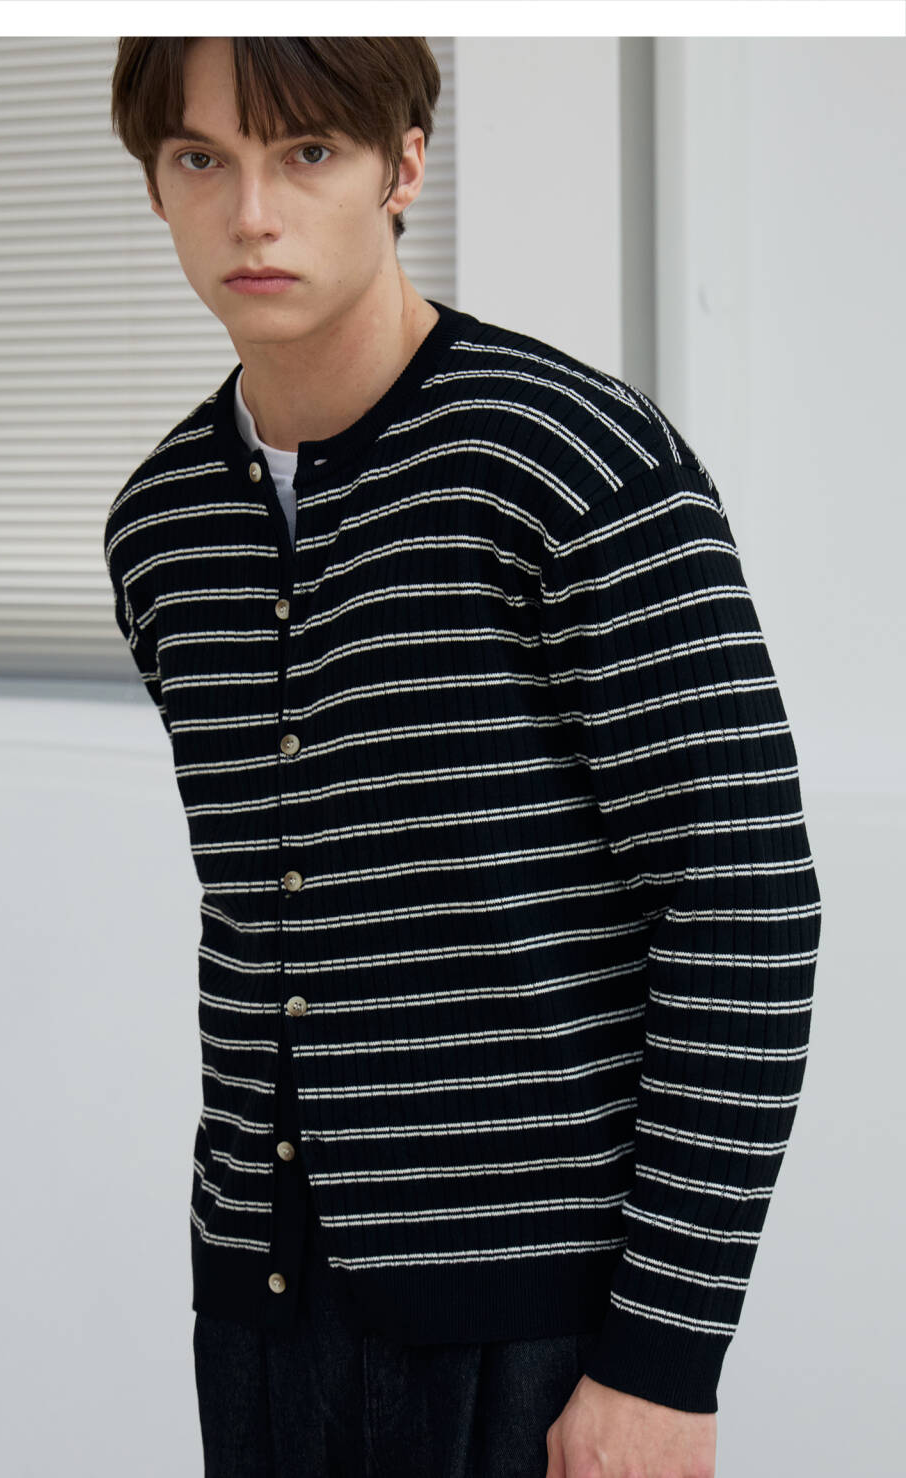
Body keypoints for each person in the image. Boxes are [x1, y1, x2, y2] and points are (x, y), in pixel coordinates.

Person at [106, 36, 821, 1478]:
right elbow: (270, 919)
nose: (253, 213)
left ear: (403, 168)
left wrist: (662, 1361)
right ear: (157, 184)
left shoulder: (573, 462)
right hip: (263, 1312)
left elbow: (741, 907)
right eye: (202, 159)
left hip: (543, 1337)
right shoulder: (162, 527)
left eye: (308, 152)